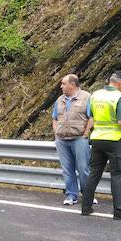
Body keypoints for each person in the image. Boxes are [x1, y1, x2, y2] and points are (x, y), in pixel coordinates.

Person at [80, 70, 121, 219]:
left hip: (97, 138)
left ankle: (85, 207)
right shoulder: (120, 97)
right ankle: (119, 210)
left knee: (94, 173)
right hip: (114, 139)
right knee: (117, 174)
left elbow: (91, 116)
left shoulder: (95, 95)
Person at [52, 74, 93, 205]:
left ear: (72, 84)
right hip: (62, 139)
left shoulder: (87, 97)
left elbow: (91, 117)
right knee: (67, 169)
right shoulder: (59, 100)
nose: (61, 86)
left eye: (63, 83)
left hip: (79, 138)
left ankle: (88, 195)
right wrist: (56, 134)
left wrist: (86, 134)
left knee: (83, 168)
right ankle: (71, 195)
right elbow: (54, 118)